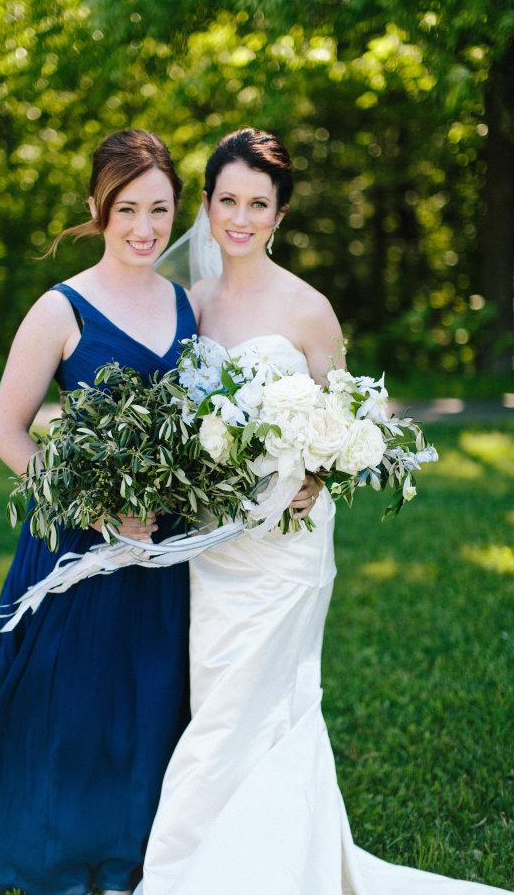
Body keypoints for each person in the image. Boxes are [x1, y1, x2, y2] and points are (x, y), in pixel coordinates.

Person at [138, 128, 511, 894]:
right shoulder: (187, 304)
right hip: (215, 545)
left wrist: (318, 473)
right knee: (216, 702)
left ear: (279, 215)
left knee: (269, 702)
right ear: (206, 206)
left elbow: (351, 425)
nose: (241, 218)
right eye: (228, 201)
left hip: (288, 547)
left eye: (259, 204)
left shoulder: (308, 309)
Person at [0, 130, 198, 895]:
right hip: (78, 537)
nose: (145, 228)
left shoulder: (184, 300)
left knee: (149, 694)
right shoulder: (61, 308)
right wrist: (95, 502)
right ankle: (60, 841)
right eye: (127, 209)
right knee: (77, 699)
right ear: (97, 208)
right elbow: (6, 432)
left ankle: (136, 846)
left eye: (159, 209)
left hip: (162, 542)